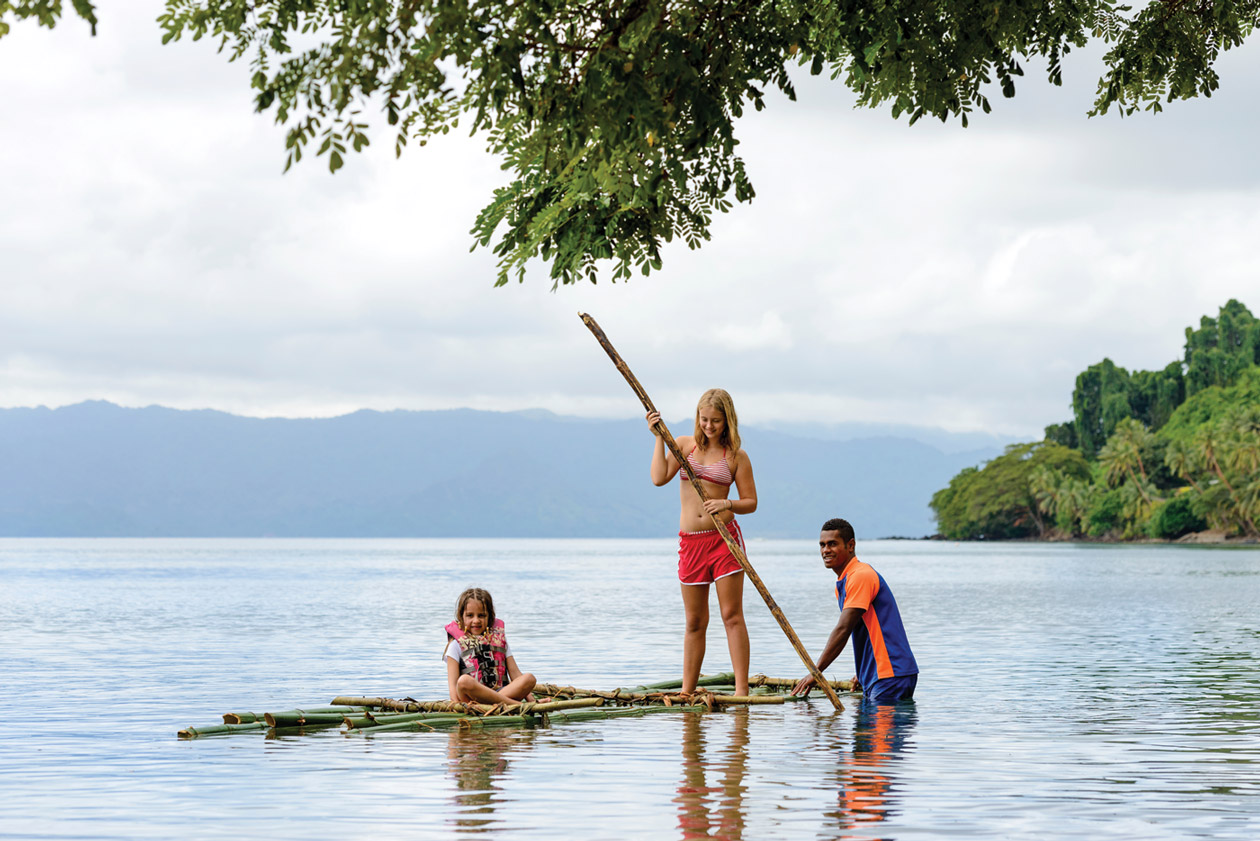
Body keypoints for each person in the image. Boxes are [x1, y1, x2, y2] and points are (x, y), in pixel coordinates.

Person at [647, 388, 758, 697]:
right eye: (704, 419)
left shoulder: (736, 456)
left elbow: (751, 502)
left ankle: (741, 691)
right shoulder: (684, 445)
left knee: (731, 615)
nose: (709, 426)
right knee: (695, 621)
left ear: (728, 421)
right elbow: (658, 477)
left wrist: (728, 505)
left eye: (716, 421)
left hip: (724, 541)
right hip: (691, 543)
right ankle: (687, 690)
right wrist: (658, 437)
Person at [793, 518, 919, 703]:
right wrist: (863, 672)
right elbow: (864, 628)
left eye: (832, 544)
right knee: (867, 732)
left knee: (879, 731)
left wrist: (816, 671)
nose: (825, 550)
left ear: (850, 545)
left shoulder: (860, 575)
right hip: (880, 675)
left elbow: (843, 629)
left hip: (890, 674)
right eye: (822, 545)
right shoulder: (845, 580)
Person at [444, 587, 536, 704]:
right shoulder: (455, 645)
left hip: (502, 692)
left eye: (481, 615)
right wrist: (459, 707)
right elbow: (453, 687)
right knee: (464, 681)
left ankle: (494, 702)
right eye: (470, 615)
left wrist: (532, 701)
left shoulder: (499, 640)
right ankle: (515, 704)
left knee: (529, 678)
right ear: (461, 617)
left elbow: (515, 674)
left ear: (490, 617)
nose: (476, 620)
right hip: (473, 699)